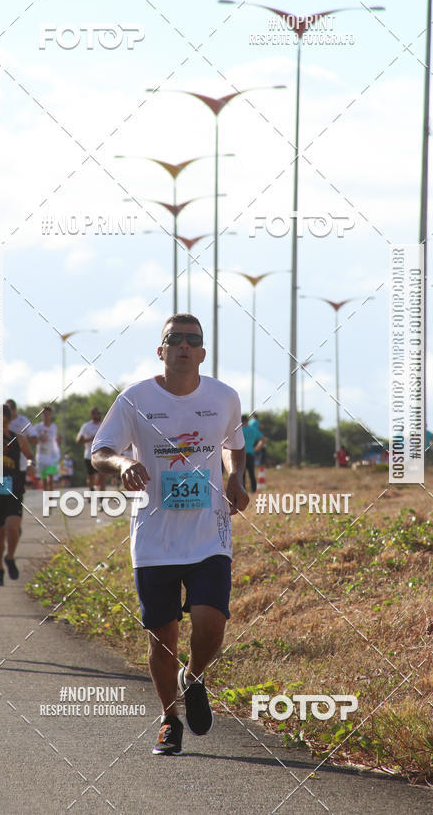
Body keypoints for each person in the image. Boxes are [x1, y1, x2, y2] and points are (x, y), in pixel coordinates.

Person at [92, 313, 249, 756]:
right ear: (160, 350)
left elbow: (234, 446)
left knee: (211, 624)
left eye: (192, 340)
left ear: (202, 352)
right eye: (174, 339)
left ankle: (193, 676)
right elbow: (100, 451)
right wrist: (124, 463)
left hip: (208, 533)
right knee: (162, 639)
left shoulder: (224, 397)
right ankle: (169, 719)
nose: (183, 345)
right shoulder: (135, 399)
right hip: (154, 537)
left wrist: (236, 477)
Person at [0, 404, 34, 585]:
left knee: (13, 527)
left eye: (3, 421)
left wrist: (30, 466)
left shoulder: (18, 439)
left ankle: (10, 557)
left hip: (14, 487)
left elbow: (30, 456)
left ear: (8, 420)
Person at [5, 399, 36, 516]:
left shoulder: (22, 422)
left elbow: (35, 440)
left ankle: (15, 518)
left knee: (14, 506)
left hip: (19, 468)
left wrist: (31, 465)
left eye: (9, 410)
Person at [76, 408, 105, 492]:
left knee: (102, 477)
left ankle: (102, 498)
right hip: (89, 455)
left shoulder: (104, 425)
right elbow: (79, 441)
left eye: (99, 413)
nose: (98, 415)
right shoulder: (86, 426)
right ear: (91, 415)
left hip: (102, 454)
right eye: (96, 413)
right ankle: (91, 490)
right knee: (91, 477)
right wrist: (91, 439)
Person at [35, 406, 61, 491]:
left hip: (52, 455)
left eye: (48, 414)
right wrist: (41, 436)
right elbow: (34, 439)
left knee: (51, 478)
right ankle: (46, 497)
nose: (46, 416)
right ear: (41, 415)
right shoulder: (38, 427)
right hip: (41, 455)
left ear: (51, 415)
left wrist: (58, 439)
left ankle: (51, 498)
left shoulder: (54, 427)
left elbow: (54, 439)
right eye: (44, 414)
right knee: (44, 480)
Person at [241, 414, 265, 493]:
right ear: (247, 421)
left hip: (241, 454)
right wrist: (256, 448)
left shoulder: (239, 430)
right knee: (252, 473)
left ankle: (243, 491)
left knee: (242, 475)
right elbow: (263, 439)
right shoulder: (253, 429)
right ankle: (254, 490)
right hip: (251, 454)